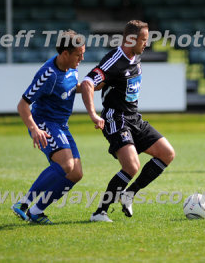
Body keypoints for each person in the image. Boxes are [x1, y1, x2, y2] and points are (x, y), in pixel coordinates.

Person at [81, 20, 175, 222]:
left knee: (167, 153)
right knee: (132, 166)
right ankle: (100, 212)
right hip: (116, 118)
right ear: (130, 39)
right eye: (143, 39)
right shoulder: (114, 59)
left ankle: (129, 194)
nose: (146, 44)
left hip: (134, 118)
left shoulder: (136, 57)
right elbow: (89, 83)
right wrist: (93, 114)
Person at [11, 30, 86, 224]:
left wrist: (88, 86)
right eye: (78, 55)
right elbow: (22, 104)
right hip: (44, 123)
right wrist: (35, 128)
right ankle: (23, 203)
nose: (82, 58)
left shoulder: (72, 67)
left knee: (76, 173)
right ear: (65, 54)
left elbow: (69, 87)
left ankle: (36, 211)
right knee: (65, 164)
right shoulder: (47, 74)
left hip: (61, 125)